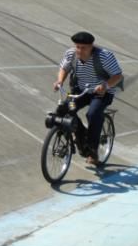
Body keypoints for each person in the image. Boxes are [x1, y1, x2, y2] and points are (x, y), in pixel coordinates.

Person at [53, 32, 123, 167]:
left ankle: (92, 151)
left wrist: (105, 85)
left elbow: (118, 75)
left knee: (93, 113)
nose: (79, 50)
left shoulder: (104, 56)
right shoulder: (71, 54)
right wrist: (60, 81)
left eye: (83, 47)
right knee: (64, 110)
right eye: (77, 46)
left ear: (92, 47)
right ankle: (82, 134)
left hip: (102, 92)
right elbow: (64, 68)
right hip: (81, 91)